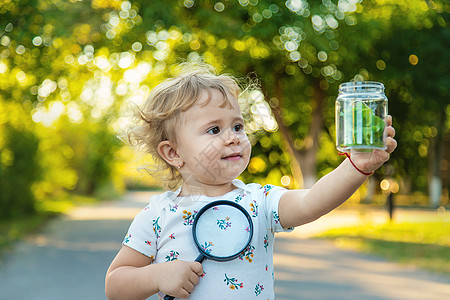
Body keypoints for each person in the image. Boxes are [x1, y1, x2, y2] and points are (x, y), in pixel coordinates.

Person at [105, 64, 397, 300]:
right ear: (173, 153)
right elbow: (115, 285)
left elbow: (312, 202)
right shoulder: (157, 215)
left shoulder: (260, 201)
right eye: (214, 129)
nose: (233, 136)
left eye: (237, 125)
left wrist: (356, 167)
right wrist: (156, 276)